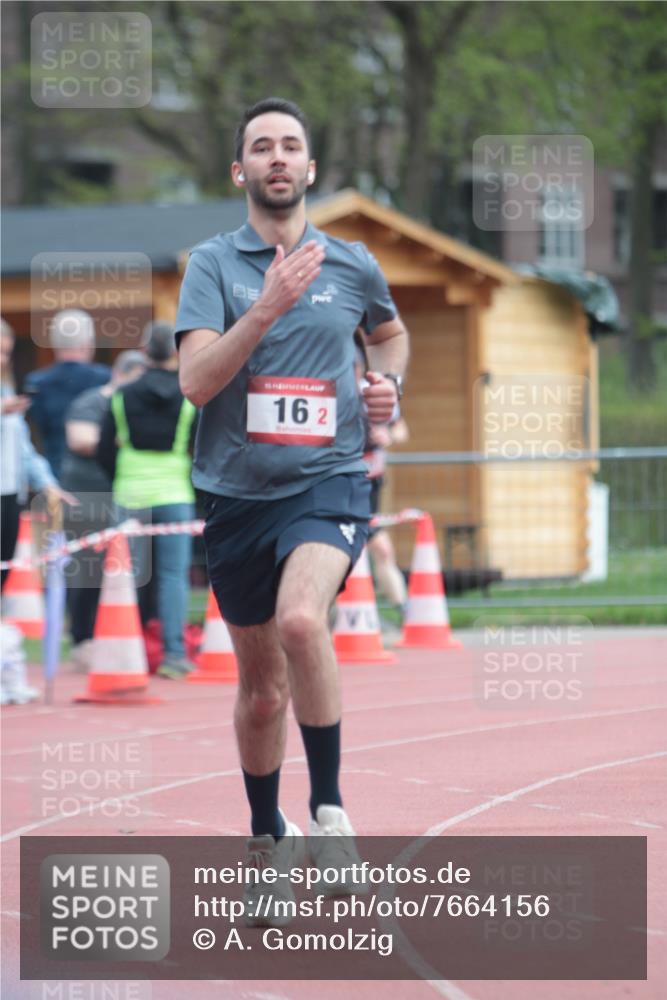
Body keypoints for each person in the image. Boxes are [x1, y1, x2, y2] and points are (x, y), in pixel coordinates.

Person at [175, 97, 409, 921]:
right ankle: (266, 840)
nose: (276, 157)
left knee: (304, 622)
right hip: (236, 495)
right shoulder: (211, 266)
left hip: (328, 481)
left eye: (290, 146)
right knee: (262, 691)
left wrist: (387, 385)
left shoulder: (351, 263)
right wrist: (266, 306)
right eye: (260, 147)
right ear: (239, 171)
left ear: (310, 168)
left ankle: (331, 815)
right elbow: (196, 382)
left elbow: (388, 335)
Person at [97, 322, 197, 679]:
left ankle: (129, 656)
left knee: (129, 577)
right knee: (173, 576)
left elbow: (103, 448)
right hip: (175, 492)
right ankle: (174, 655)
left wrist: (121, 478)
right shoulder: (189, 395)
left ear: (143, 351)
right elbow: (199, 447)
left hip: (131, 493)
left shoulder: (121, 396)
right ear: (176, 353)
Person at [1, 319, 75, 704]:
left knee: (3, 581)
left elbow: (25, 450)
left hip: (9, 495)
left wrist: (48, 483)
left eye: (7, 353)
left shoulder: (8, 391)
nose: (3, 359)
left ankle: (5, 669)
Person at [60, 350, 147, 669]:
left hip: (123, 495)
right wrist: (124, 439)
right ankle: (82, 640)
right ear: (120, 374)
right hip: (86, 495)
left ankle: (118, 640)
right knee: (87, 570)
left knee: (126, 570)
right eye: (135, 381)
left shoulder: (133, 405)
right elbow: (80, 439)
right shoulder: (91, 402)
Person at [354, 330, 409, 618]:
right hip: (341, 483)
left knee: (380, 550)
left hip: (372, 483)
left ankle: (404, 613)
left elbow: (401, 430)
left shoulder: (374, 390)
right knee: (371, 549)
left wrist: (387, 435)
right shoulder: (332, 390)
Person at [24, 309, 110, 477]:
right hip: (99, 474)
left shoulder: (37, 382)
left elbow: (38, 423)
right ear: (88, 343)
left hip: (55, 471)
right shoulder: (105, 377)